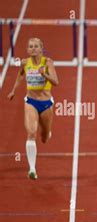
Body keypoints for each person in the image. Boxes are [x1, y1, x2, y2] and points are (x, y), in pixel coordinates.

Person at [7, 38, 59, 180]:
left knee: (44, 138)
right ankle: (32, 169)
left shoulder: (48, 62)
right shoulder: (25, 63)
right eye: (30, 46)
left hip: (46, 103)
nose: (33, 49)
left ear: (41, 48)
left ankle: (47, 133)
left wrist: (45, 74)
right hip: (30, 102)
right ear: (27, 49)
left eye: (36, 46)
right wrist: (13, 90)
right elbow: (20, 74)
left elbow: (56, 82)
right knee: (31, 133)